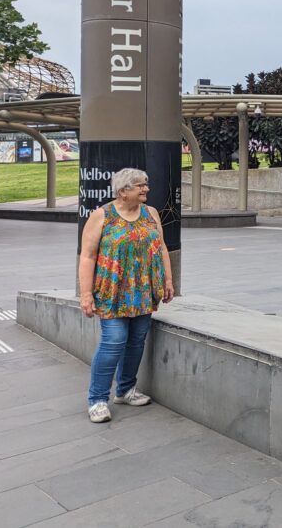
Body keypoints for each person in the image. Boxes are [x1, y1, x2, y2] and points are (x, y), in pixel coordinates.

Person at [78, 168, 175, 423]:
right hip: (112, 292)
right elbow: (87, 256)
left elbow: (161, 246)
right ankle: (97, 399)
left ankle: (125, 389)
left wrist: (167, 279)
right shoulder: (102, 216)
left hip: (143, 290)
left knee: (136, 342)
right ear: (123, 191)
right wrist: (86, 294)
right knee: (113, 342)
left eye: (146, 184)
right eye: (140, 186)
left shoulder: (150, 213)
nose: (146, 189)